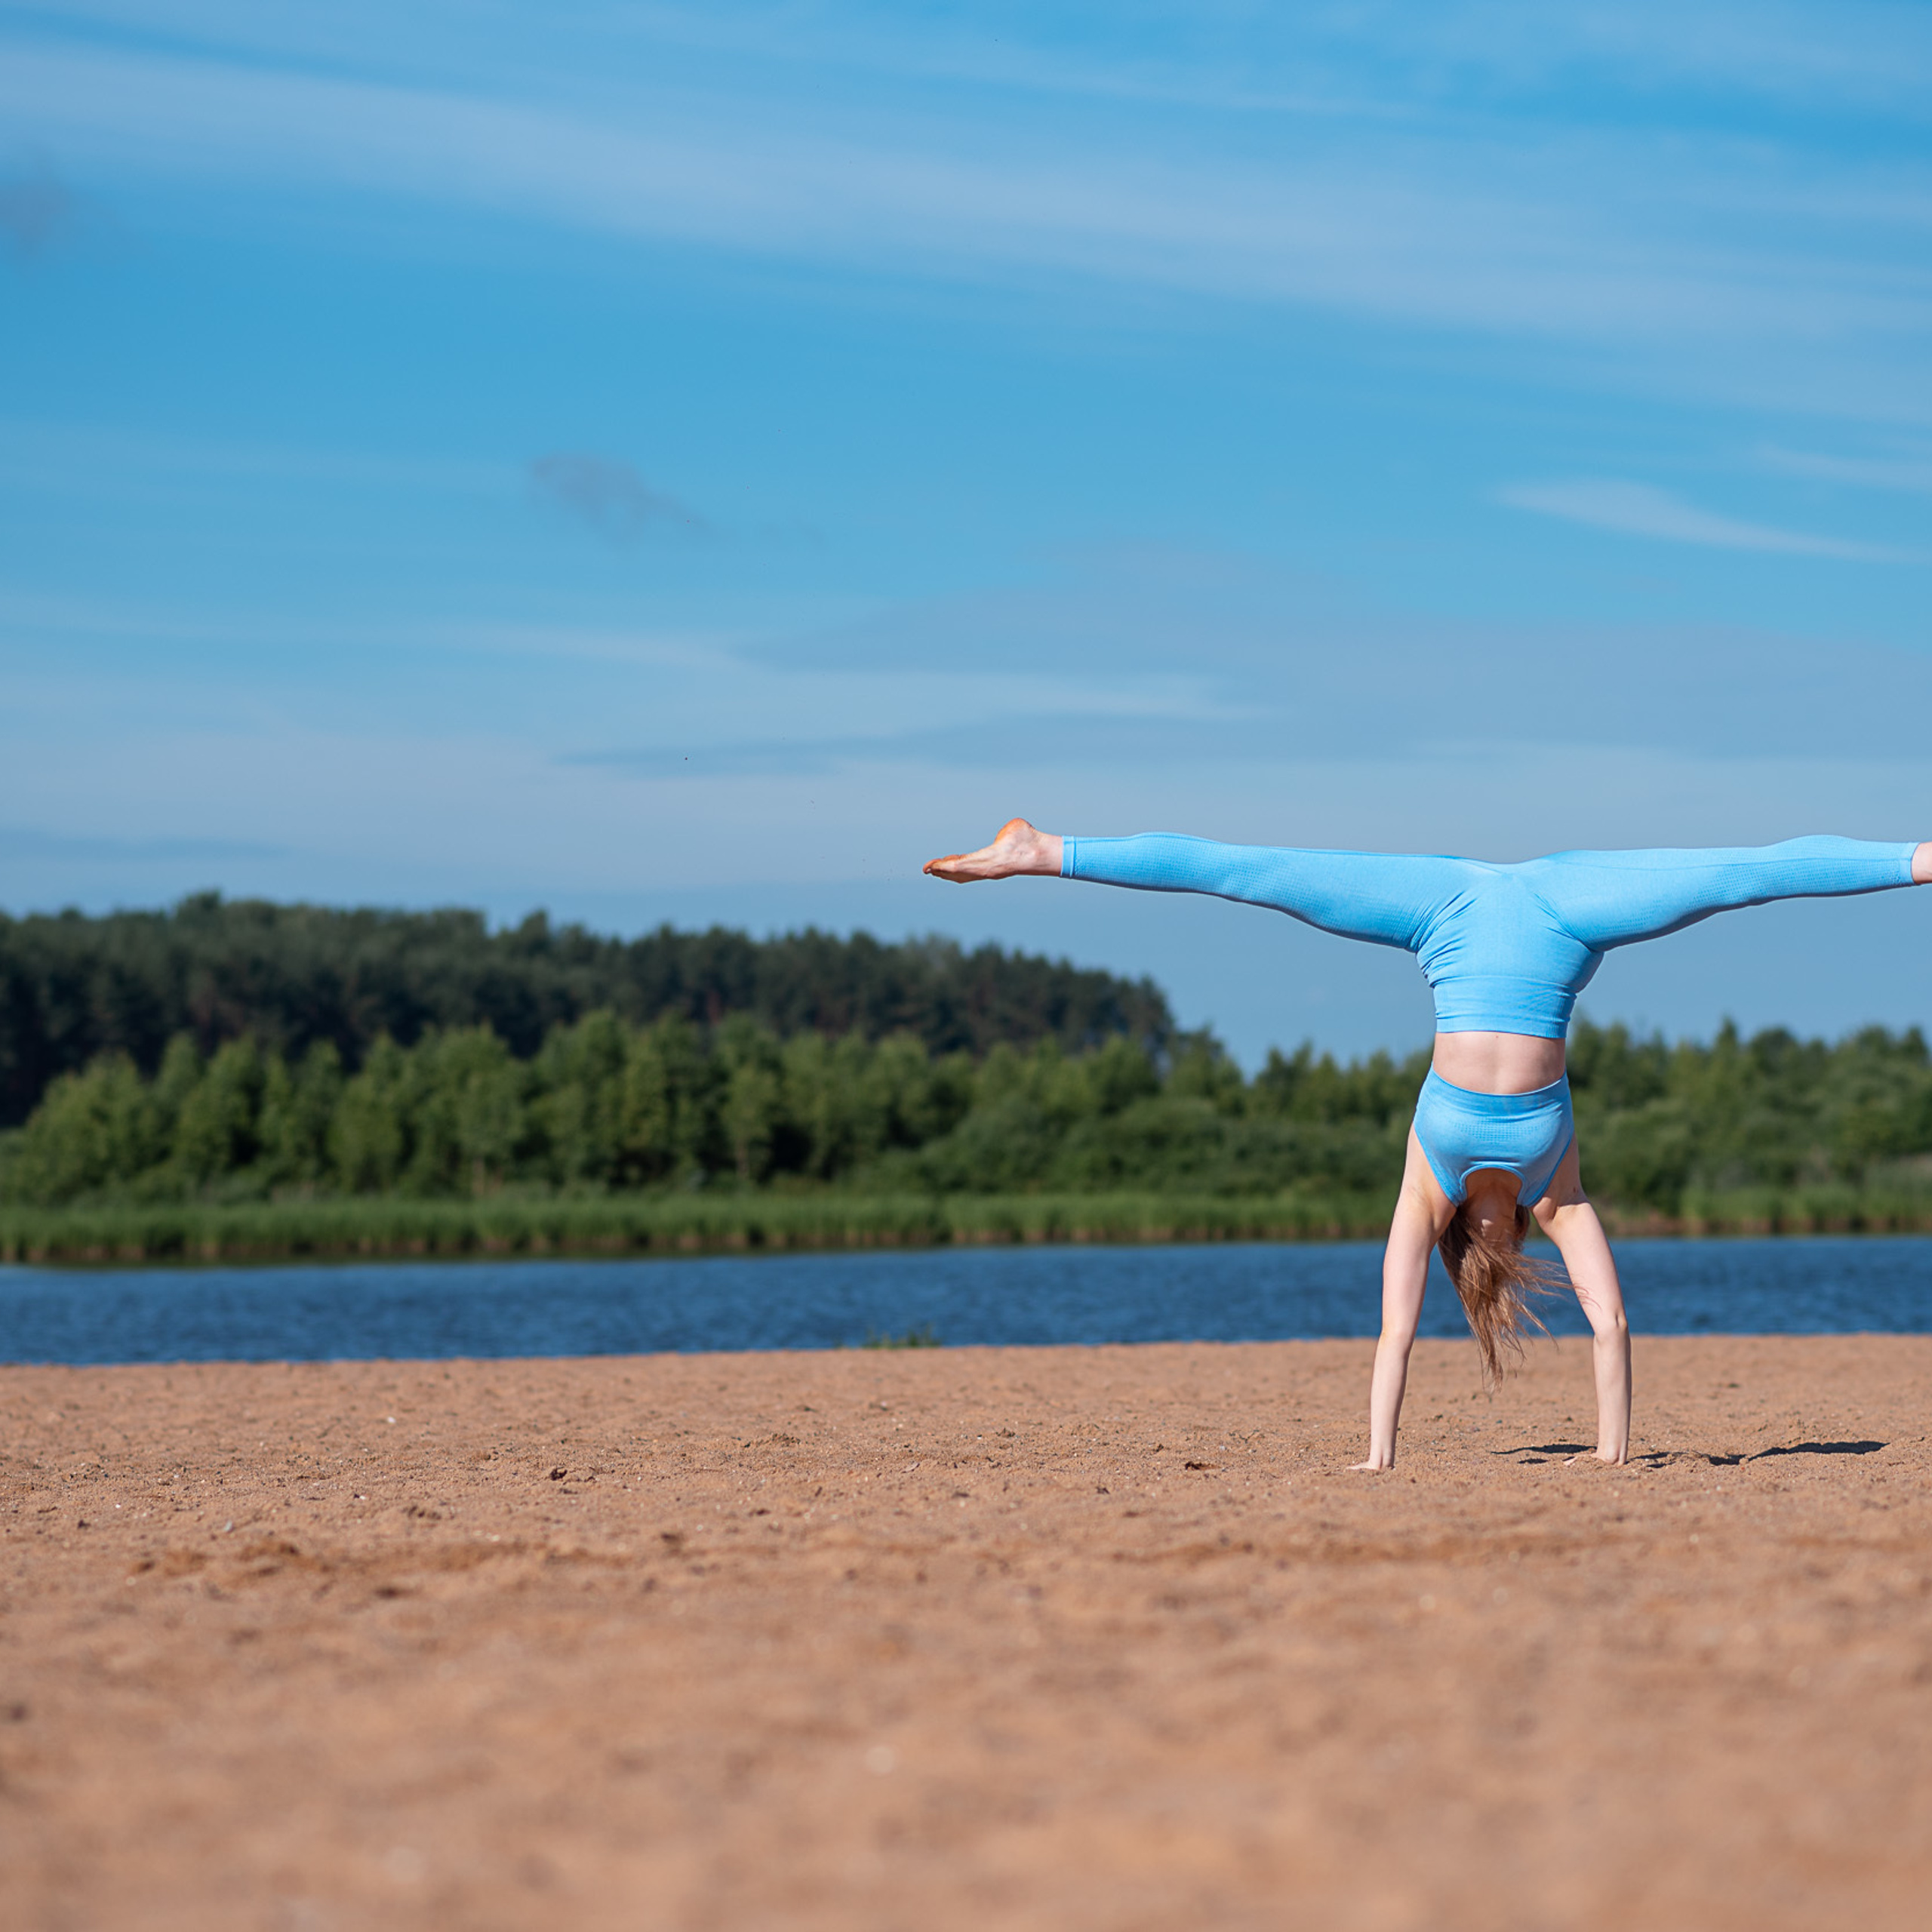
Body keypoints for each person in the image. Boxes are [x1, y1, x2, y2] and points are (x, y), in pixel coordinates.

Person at [924, 820, 1932, 1470]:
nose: (1498, 1238)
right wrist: (1613, 1456)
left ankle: (1040, 849)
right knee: (1735, 880)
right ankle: (1041, 849)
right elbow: (1613, 1323)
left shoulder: (1426, 1188)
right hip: (1559, 916)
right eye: (1507, 1247)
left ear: (1463, 1242)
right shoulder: (1557, 1190)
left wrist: (1379, 1456)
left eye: (1482, 1250)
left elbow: (1395, 1335)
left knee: (1253, 874)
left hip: (1446, 907)